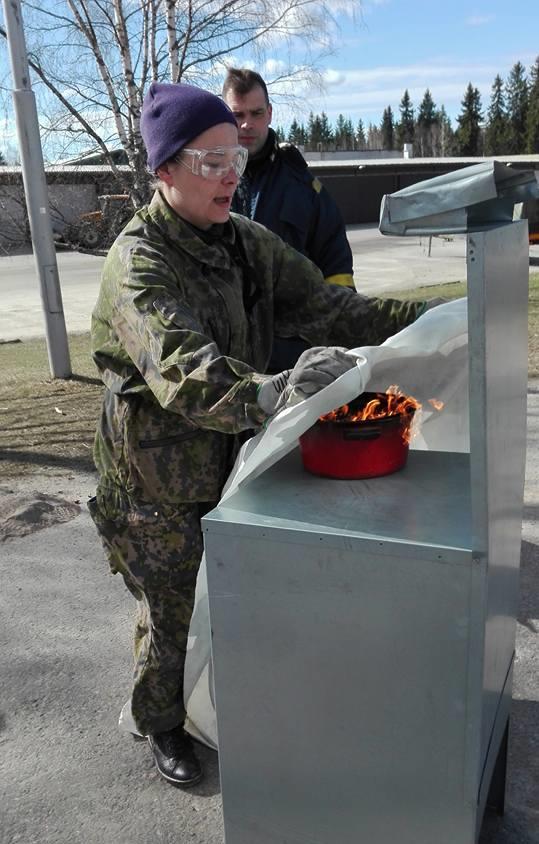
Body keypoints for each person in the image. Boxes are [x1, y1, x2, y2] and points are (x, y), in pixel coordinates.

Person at [88, 81, 430, 789]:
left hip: (232, 457)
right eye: (208, 161)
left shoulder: (246, 242)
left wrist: (425, 322)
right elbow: (186, 375)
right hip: (156, 483)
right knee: (173, 612)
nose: (228, 174)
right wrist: (278, 391)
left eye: (234, 158)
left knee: (239, 592)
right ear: (164, 172)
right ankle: (161, 724)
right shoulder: (139, 263)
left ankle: (225, 704)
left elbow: (328, 306)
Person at [222, 67, 354, 371]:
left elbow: (337, 271)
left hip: (291, 357)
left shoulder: (303, 187)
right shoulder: (204, 179)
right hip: (223, 360)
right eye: (237, 114)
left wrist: (338, 336)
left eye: (256, 113)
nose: (246, 124)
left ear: (269, 113)